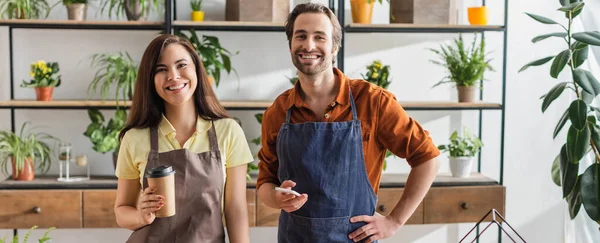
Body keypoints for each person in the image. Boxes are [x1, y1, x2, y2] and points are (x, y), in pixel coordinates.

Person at [256, 3, 441, 243]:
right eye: (300, 36)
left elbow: (428, 158)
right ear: (290, 44)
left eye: (319, 37)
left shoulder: (373, 102)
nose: (309, 45)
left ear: (334, 47)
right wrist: (277, 198)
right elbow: (265, 184)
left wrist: (393, 222)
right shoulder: (278, 112)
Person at [113, 34, 253, 243]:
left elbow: (235, 209)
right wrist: (140, 215)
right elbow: (121, 211)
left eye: (181, 65)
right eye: (161, 70)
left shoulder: (228, 131)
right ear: (150, 80)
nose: (174, 76)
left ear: (196, 69)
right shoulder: (135, 138)